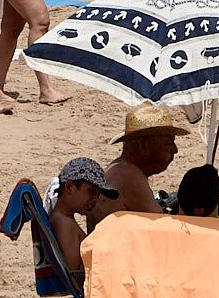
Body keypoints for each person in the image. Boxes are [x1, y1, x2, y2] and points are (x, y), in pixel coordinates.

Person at [94, 103, 193, 220]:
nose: (175, 150)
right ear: (143, 145)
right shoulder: (128, 176)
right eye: (168, 143)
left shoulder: (120, 168)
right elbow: (160, 222)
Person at [47, 157, 115, 289]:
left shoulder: (62, 218)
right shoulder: (65, 224)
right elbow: (75, 275)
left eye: (98, 195)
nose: (95, 200)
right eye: (91, 191)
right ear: (69, 187)